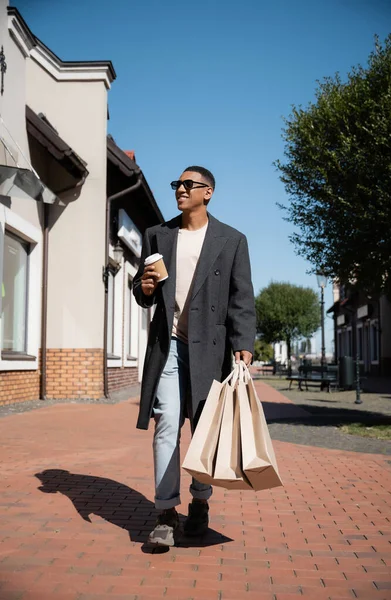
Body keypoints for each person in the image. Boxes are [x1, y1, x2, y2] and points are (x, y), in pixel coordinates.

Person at [132, 166, 256, 547]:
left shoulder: (231, 240)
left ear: (209, 192)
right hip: (168, 346)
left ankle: (200, 501)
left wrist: (244, 345)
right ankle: (166, 512)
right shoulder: (159, 234)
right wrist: (146, 286)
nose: (181, 189)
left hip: (211, 350)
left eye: (189, 185)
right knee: (167, 421)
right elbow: (142, 289)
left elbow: (242, 299)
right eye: (177, 184)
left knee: (205, 428)